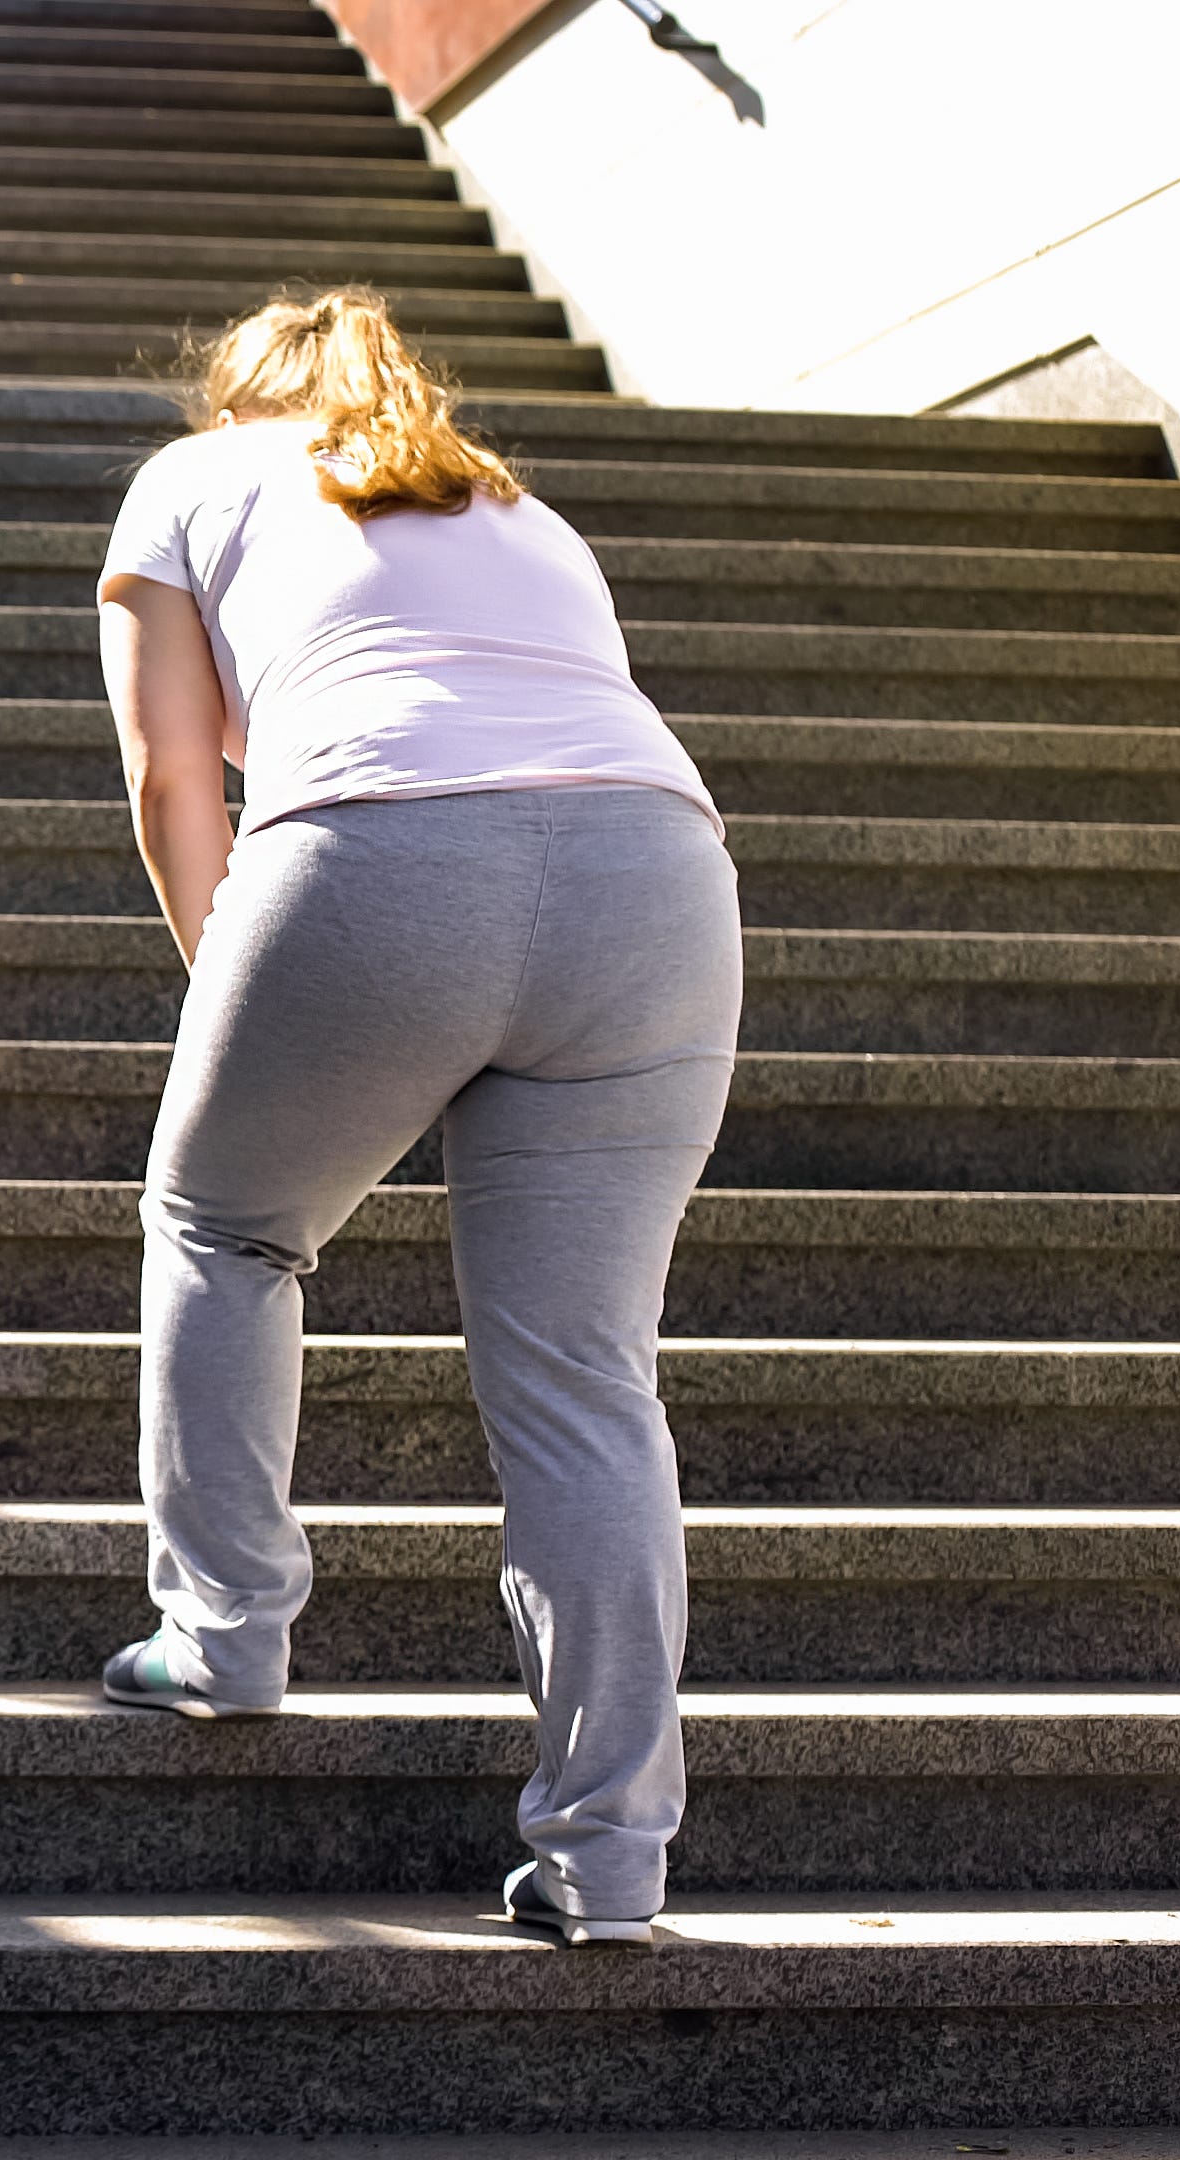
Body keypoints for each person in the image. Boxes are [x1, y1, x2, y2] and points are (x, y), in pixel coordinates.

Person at [89, 288, 743, 1951]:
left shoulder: (198, 473)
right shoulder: (518, 503)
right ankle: (609, 1856)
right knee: (589, 1377)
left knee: (223, 1222)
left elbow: (176, 777)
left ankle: (225, 1633)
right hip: (659, 876)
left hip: (385, 854)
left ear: (239, 394)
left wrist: (234, 990)